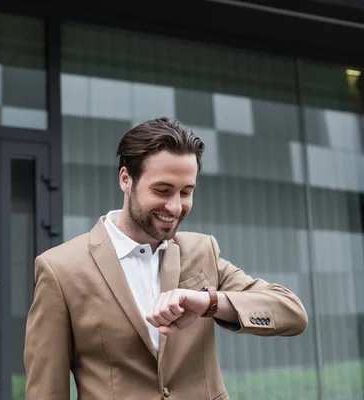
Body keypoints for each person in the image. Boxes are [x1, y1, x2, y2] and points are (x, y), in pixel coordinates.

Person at [24, 117, 308, 400]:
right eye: (162, 190)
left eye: (186, 192)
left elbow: (292, 313)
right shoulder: (60, 269)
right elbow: (46, 390)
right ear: (126, 179)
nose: (174, 206)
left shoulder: (202, 251)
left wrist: (209, 303)